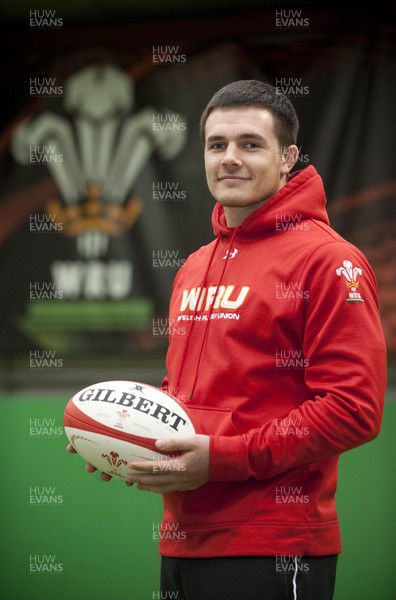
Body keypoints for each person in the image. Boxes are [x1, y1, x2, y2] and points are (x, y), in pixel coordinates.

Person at [68, 80, 387, 600]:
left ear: (287, 158)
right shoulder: (195, 265)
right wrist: (125, 439)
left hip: (273, 547)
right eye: (217, 145)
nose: (230, 159)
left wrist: (222, 459)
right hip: (182, 543)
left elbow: (353, 409)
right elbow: (184, 396)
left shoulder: (329, 261)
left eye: (250, 144)